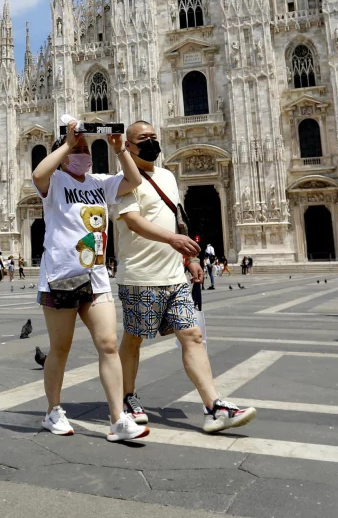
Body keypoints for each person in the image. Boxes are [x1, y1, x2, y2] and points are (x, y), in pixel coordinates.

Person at [116, 121, 257, 434]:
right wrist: (172, 241)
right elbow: (134, 222)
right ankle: (126, 396)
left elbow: (177, 216)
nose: (152, 141)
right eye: (143, 138)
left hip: (174, 275)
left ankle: (214, 406)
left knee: (192, 336)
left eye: (155, 136)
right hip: (141, 274)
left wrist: (191, 257)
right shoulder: (123, 181)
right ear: (129, 145)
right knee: (134, 339)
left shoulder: (166, 174)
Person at [33, 118, 144, 443]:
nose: (85, 154)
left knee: (108, 344)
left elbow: (133, 180)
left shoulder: (100, 182)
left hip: (95, 277)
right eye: (79, 150)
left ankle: (118, 419)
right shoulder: (54, 182)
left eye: (86, 149)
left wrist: (120, 149)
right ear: (64, 155)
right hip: (61, 276)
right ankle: (53, 410)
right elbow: (37, 175)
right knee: (61, 348)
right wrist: (68, 142)